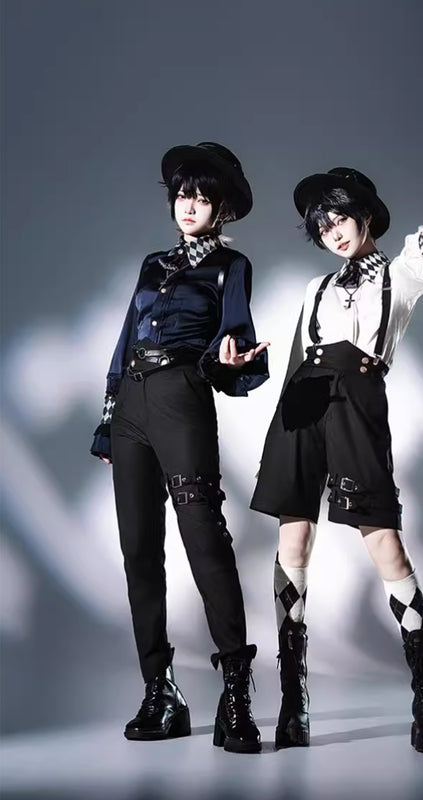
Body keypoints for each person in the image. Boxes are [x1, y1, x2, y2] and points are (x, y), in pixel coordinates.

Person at [251, 166, 423, 755]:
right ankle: (293, 702)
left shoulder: (399, 275)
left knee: (385, 543)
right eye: (322, 226)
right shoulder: (314, 288)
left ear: (365, 215)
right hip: (302, 405)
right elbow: (298, 358)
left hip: (358, 404)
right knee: (293, 542)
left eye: (340, 218)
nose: (333, 232)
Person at [91, 141, 269, 753]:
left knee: (205, 543)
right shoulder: (152, 264)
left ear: (222, 208)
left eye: (201, 198)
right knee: (139, 550)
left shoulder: (231, 266)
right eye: (182, 196)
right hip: (133, 407)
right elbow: (124, 345)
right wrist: (107, 422)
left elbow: (232, 342)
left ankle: (236, 694)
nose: (188, 206)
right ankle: (159, 690)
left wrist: (229, 362)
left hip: (182, 400)